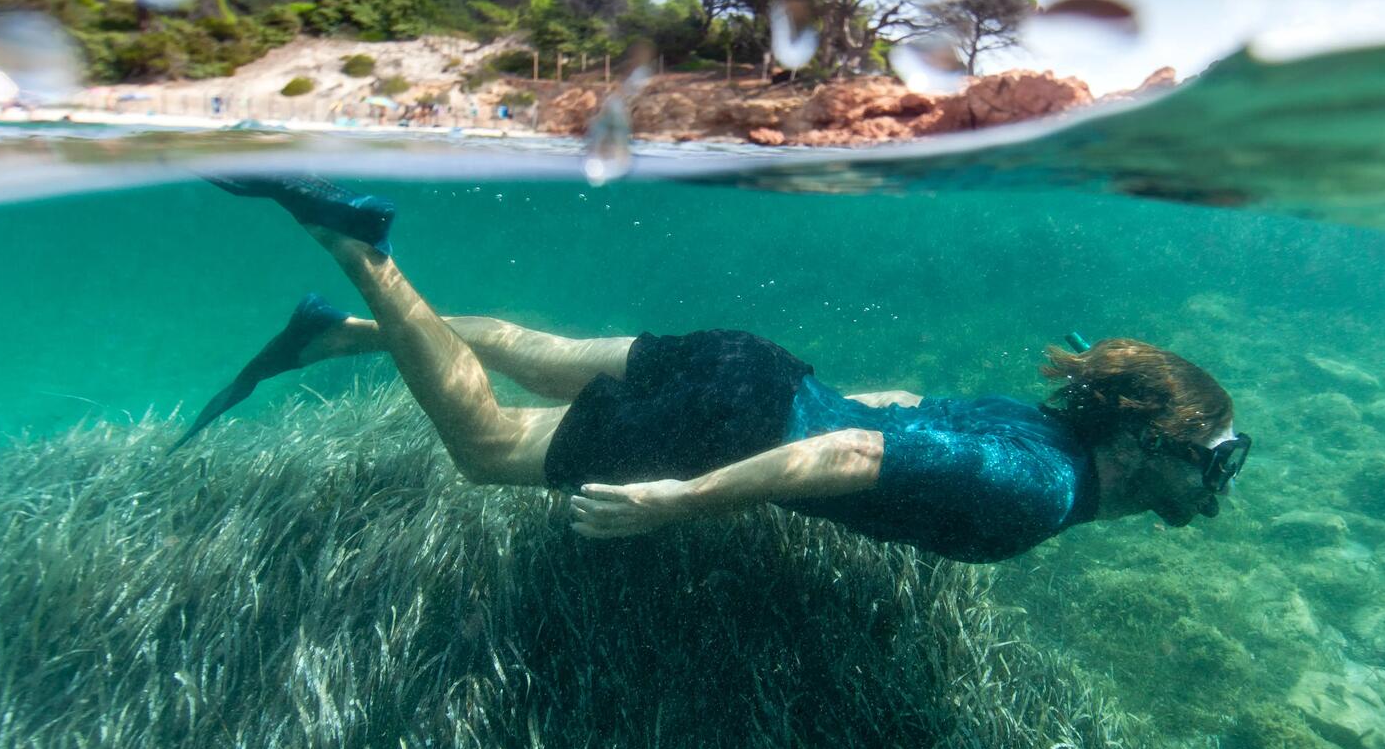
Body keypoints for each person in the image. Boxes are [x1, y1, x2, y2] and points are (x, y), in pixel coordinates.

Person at [181, 178, 1250, 561]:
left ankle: (333, 330)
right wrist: (682, 499)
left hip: (759, 365)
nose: (1219, 484)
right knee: (489, 443)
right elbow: (854, 445)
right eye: (1215, 458)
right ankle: (359, 251)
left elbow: (896, 404)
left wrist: (786, 400)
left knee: (533, 352)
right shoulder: (1038, 492)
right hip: (739, 424)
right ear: (1153, 440)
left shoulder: (1041, 432)